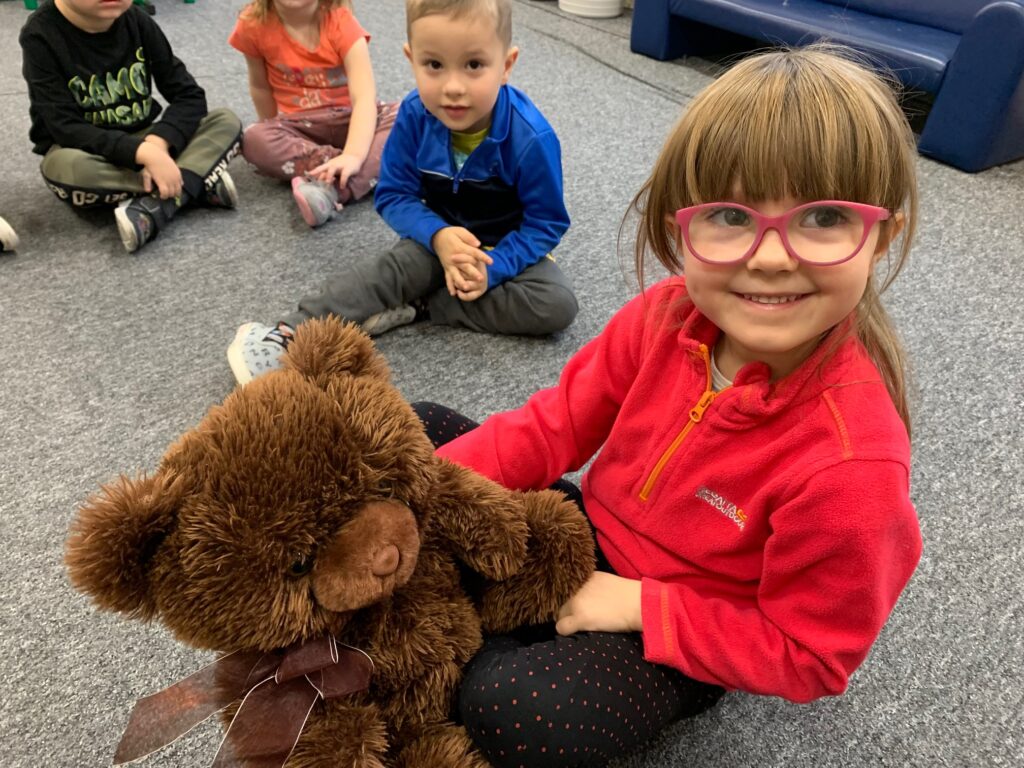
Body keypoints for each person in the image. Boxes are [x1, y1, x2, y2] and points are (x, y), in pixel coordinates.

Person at [414, 45, 925, 767]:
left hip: (682, 628)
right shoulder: (664, 315)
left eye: (823, 217)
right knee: (418, 435)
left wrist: (641, 608)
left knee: (514, 707)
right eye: (730, 215)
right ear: (682, 225)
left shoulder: (852, 465)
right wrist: (417, 496)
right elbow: (553, 427)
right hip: (586, 534)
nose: (771, 257)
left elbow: (811, 654)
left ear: (881, 237)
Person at [226, 0, 577, 385]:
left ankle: (424, 304)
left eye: (474, 65)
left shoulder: (532, 138)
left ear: (506, 65)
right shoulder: (413, 114)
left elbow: (545, 224)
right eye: (434, 65)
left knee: (556, 305)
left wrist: (496, 268)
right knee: (393, 270)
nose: (453, 87)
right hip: (434, 241)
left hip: (505, 249)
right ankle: (287, 332)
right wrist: (438, 236)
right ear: (412, 60)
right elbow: (394, 195)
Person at [19, 0, 243, 253]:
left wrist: (157, 145)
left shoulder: (137, 20)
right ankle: (193, 181)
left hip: (148, 138)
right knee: (63, 167)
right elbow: (65, 127)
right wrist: (144, 154)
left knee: (225, 120)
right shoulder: (40, 34)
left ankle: (162, 200)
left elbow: (189, 95)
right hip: (87, 149)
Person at [228, 0, 399, 228]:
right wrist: (270, 130)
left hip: (351, 120)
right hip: (301, 127)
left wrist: (353, 155)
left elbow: (364, 98)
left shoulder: (342, 22)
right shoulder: (252, 24)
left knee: (406, 114)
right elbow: (260, 87)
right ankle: (361, 171)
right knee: (252, 138)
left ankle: (334, 187)